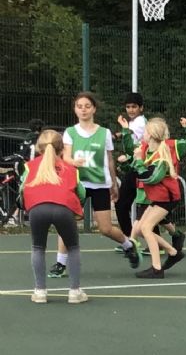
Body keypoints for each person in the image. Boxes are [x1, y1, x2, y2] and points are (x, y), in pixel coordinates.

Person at [48, 91, 141, 278]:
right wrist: (73, 162)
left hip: (99, 184)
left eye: (87, 106)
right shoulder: (70, 132)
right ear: (75, 110)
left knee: (105, 228)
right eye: (79, 106)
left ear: (94, 109)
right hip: (78, 184)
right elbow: (66, 156)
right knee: (66, 222)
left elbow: (109, 160)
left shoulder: (104, 133)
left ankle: (128, 245)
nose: (83, 110)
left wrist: (113, 183)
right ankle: (60, 263)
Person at [19, 129, 87, 303]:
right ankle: (74, 292)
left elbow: (22, 189)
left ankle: (40, 291)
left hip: (37, 208)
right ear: (62, 149)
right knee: (73, 247)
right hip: (63, 208)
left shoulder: (30, 166)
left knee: (38, 247)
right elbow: (81, 192)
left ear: (39, 148)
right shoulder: (71, 169)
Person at [131, 117, 186, 279]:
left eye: (145, 131)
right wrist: (129, 161)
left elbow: (150, 178)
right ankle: (173, 252)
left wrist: (138, 161)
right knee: (139, 229)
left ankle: (157, 268)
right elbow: (137, 169)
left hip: (167, 197)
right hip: (158, 196)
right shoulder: (148, 150)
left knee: (146, 228)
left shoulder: (162, 155)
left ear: (151, 135)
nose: (143, 134)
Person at [114, 92, 147, 237]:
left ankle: (129, 240)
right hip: (136, 167)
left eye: (134, 107)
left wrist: (127, 157)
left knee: (122, 204)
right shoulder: (135, 122)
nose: (131, 110)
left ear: (141, 108)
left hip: (139, 168)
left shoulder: (139, 122)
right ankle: (170, 236)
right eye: (128, 107)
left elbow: (130, 143)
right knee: (145, 208)